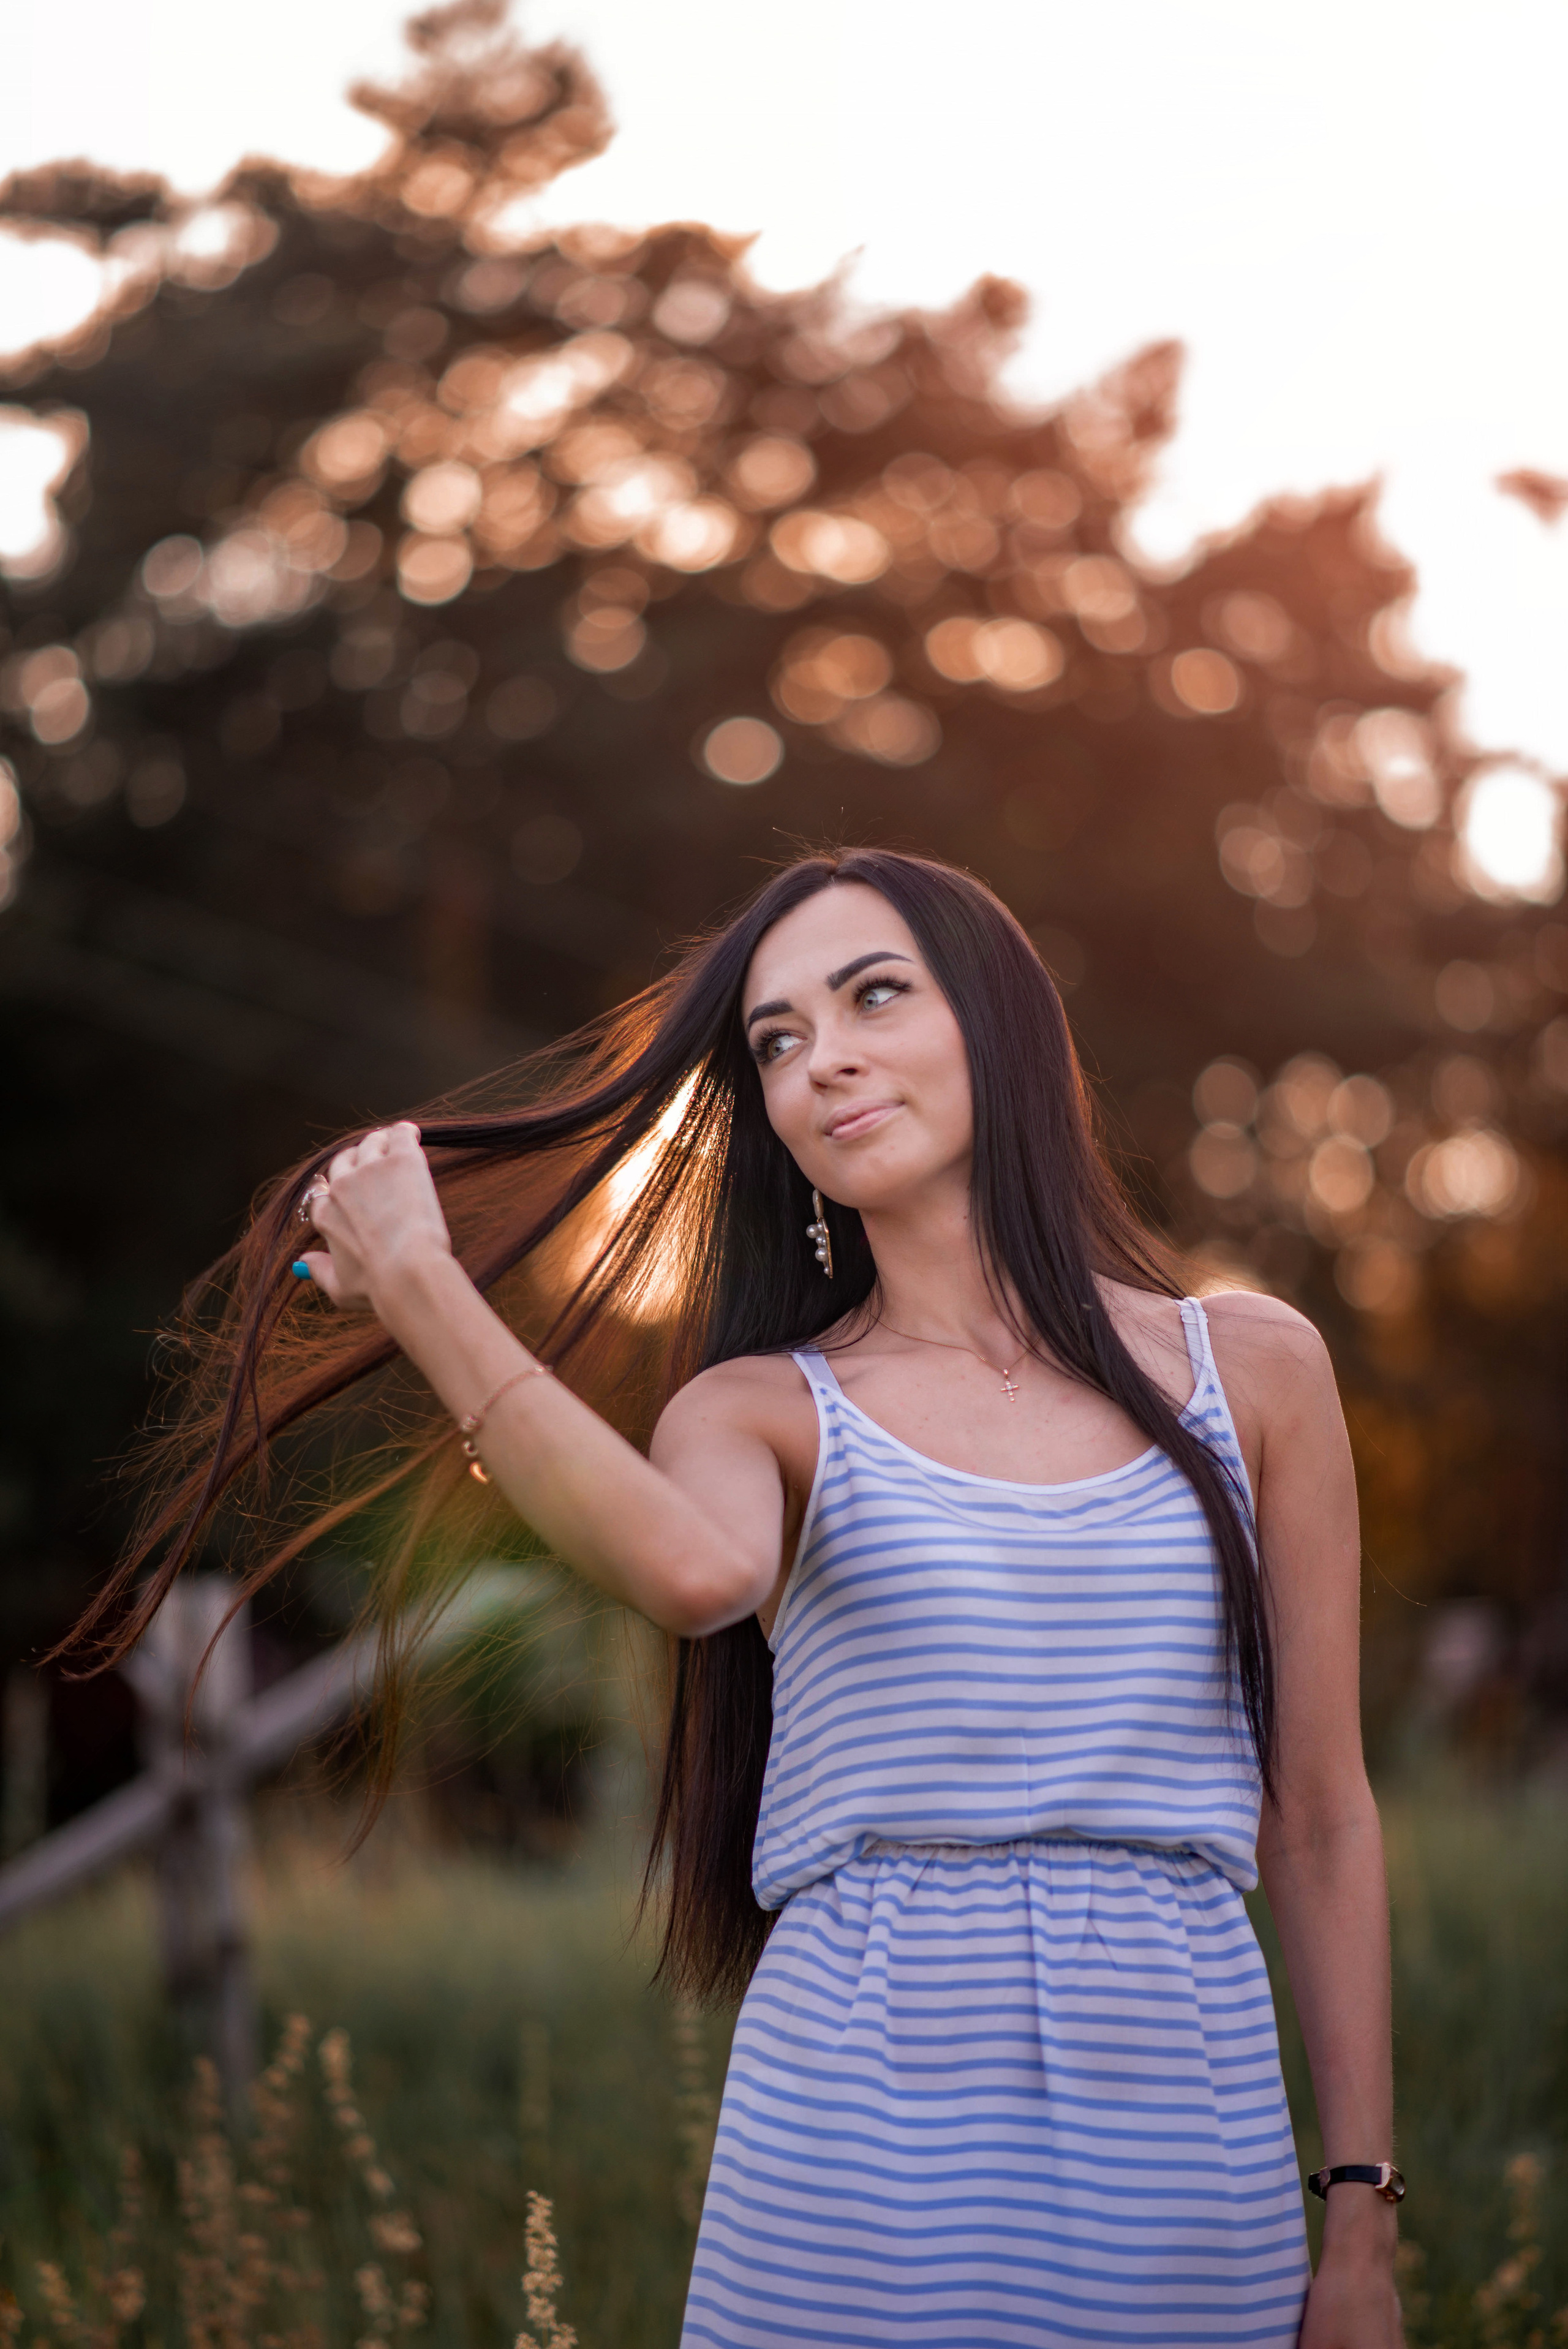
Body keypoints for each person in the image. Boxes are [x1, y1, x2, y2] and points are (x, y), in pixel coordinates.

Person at [95, 848, 1403, 2347]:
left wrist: (1358, 2221)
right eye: (776, 1041)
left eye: (872, 996)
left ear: (999, 1023)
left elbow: (1317, 1811)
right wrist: (420, 1287)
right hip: (857, 2133)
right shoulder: (764, 1409)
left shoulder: (1255, 1369)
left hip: (1185, 2124)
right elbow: (691, 1574)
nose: (819, 1057)